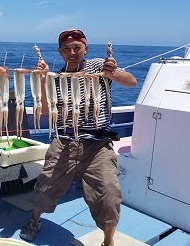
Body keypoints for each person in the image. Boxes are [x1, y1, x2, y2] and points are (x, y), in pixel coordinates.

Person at [19, 29, 137, 246]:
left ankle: (108, 241)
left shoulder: (98, 66)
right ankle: (35, 221)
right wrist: (43, 79)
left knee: (108, 196)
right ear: (60, 52)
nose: (72, 52)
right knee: (44, 189)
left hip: (98, 146)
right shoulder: (57, 78)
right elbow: (45, 109)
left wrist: (112, 74)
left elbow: (131, 82)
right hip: (64, 142)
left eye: (77, 48)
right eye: (66, 48)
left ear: (86, 49)